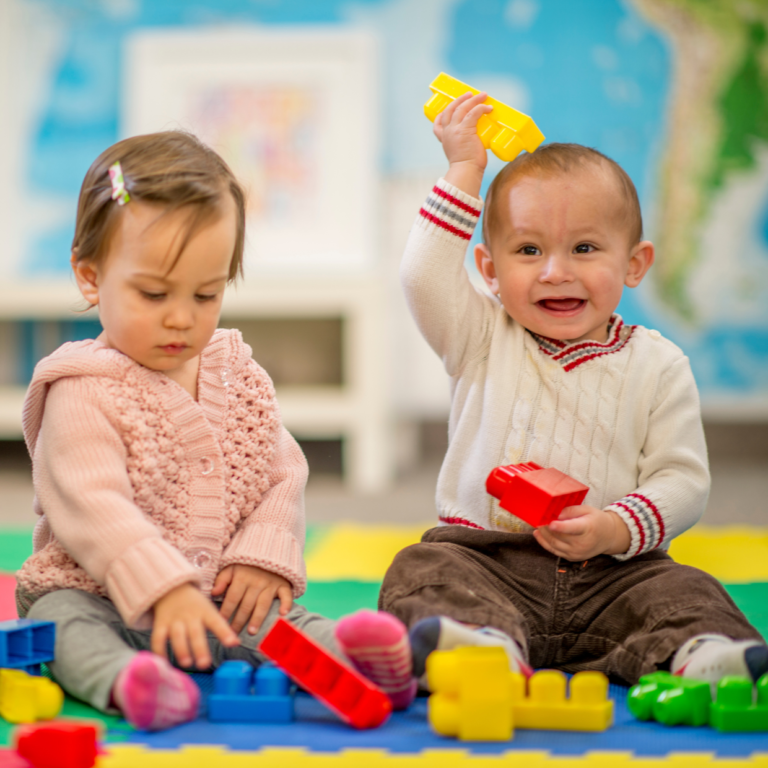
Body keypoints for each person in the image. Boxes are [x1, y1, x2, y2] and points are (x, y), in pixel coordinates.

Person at [16, 131, 414, 731]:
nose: (181, 317)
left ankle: (363, 662)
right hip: (97, 594)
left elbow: (281, 471)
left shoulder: (238, 373)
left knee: (276, 623)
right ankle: (129, 683)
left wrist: (263, 556)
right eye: (154, 294)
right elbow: (94, 508)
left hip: (219, 595)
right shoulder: (82, 390)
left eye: (206, 294)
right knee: (60, 626)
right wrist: (162, 587)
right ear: (91, 277)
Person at [379, 92, 768, 688]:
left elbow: (683, 481)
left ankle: (703, 654)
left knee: (689, 589)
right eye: (528, 250)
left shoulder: (659, 365)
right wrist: (464, 170)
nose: (555, 271)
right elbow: (422, 276)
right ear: (490, 270)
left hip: (614, 574)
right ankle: (483, 647)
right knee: (422, 567)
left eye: (584, 249)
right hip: (487, 563)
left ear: (634, 264)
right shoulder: (478, 334)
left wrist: (614, 527)